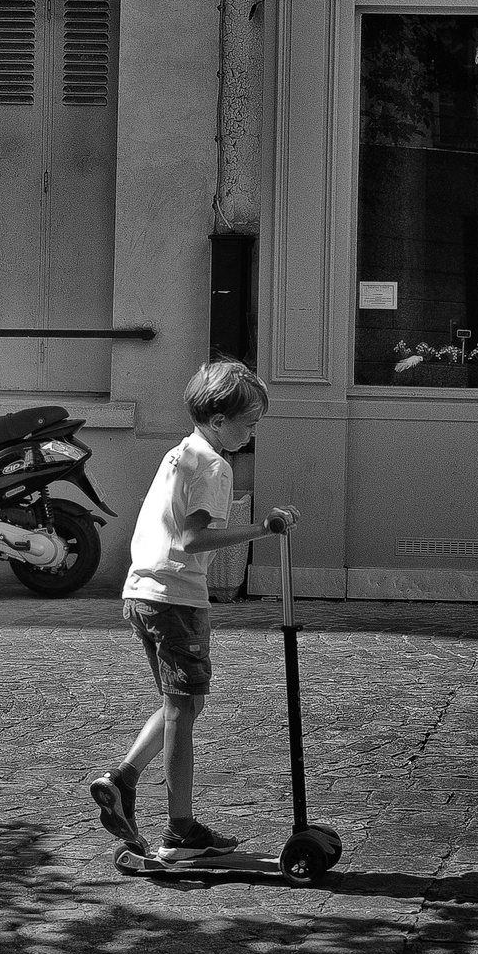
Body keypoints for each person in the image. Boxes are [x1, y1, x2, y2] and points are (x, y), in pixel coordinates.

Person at [90, 359, 299, 862]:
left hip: (141, 593)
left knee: (181, 704)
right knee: (183, 711)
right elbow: (191, 538)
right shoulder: (213, 465)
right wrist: (264, 529)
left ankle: (123, 779)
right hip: (175, 598)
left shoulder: (181, 453)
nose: (252, 432)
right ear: (218, 418)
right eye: (249, 423)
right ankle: (180, 831)